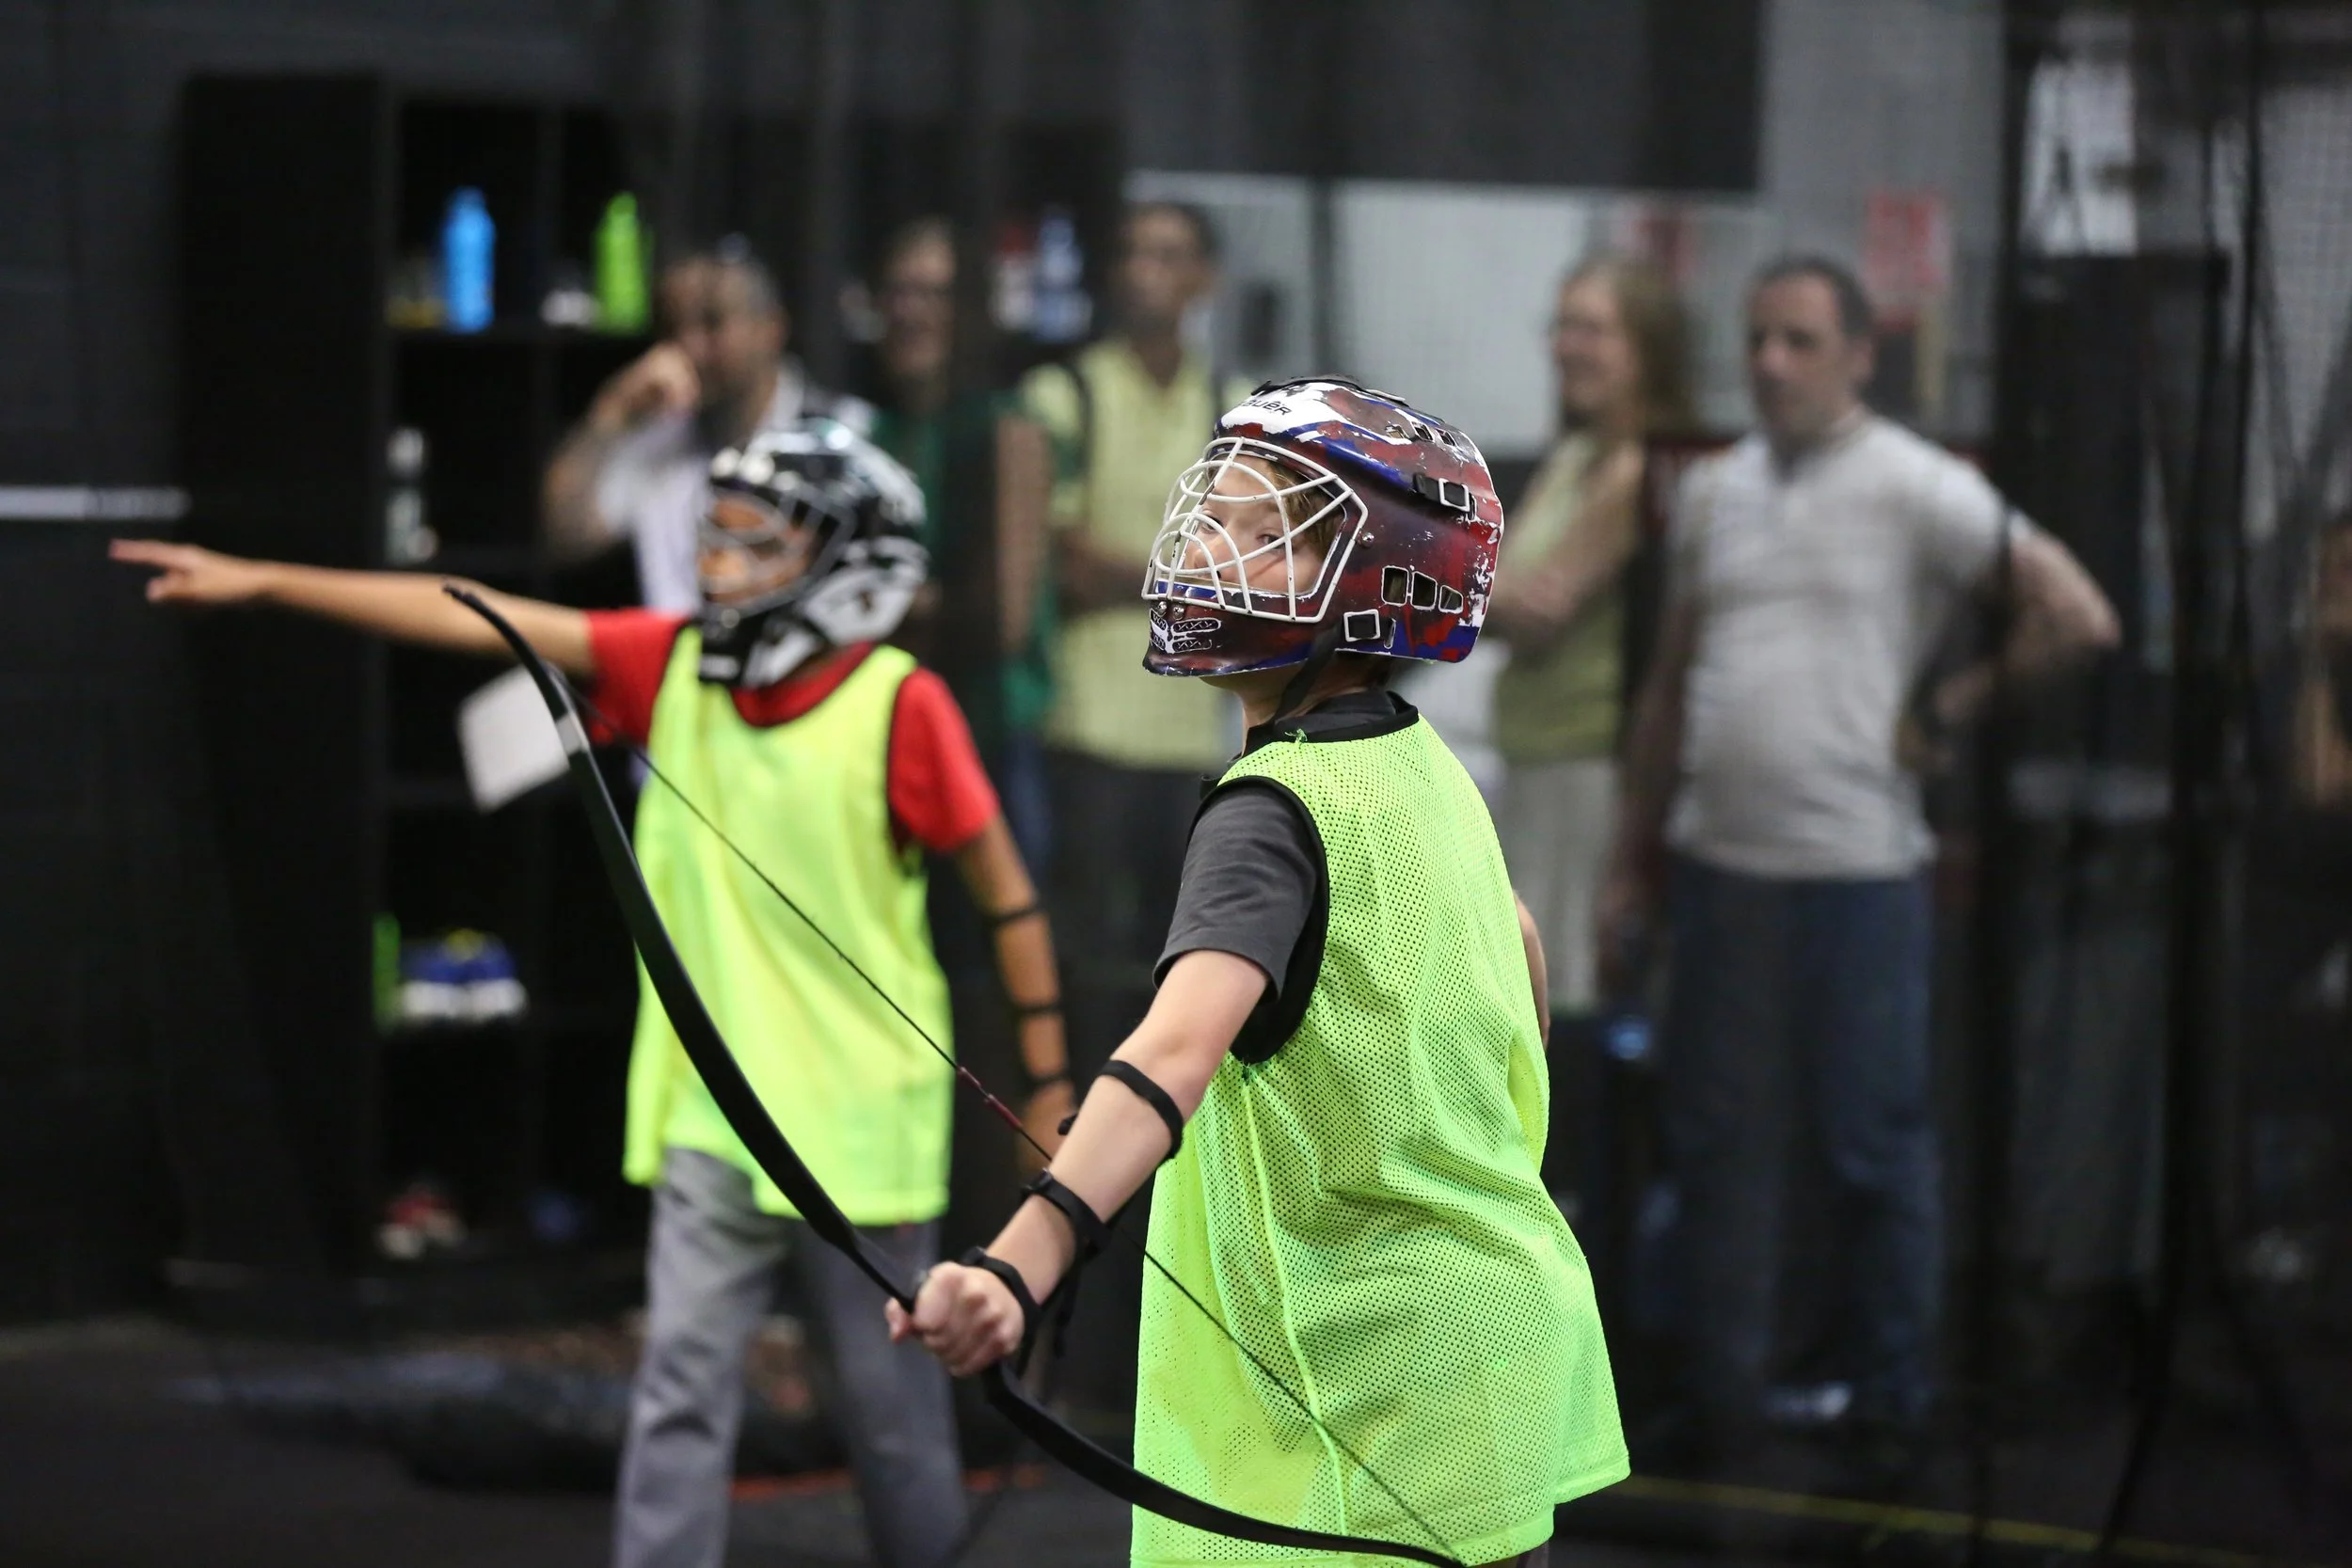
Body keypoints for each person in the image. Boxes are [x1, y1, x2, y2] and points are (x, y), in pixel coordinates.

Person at [115, 421, 1071, 1568]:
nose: (722, 563)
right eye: (720, 537)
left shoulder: (896, 704)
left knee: (892, 1413)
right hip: (708, 1118)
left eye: (763, 544)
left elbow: (1009, 899)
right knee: (677, 1395)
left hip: (856, 1130)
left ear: (850, 564)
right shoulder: (667, 662)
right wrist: (265, 580)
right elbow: (483, 614)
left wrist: (1050, 1094)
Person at [889, 379, 1629, 1568]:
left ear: (1373, 589)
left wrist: (1016, 1263)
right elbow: (1519, 973)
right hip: (1489, 1357)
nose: (1203, 548)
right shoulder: (1430, 773)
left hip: (1359, 1407)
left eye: (1259, 529)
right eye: (1211, 513)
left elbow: (1170, 1054)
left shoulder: (1267, 813)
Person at [1598, 255, 2120, 1461]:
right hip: (1721, 868)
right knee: (1714, 1141)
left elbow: (2078, 614)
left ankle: (1892, 1395)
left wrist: (1948, 709)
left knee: (1871, 1140)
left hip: (1855, 875)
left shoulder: (1916, 486)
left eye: (1799, 341)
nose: (1772, 363)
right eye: (1759, 339)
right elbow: (1671, 686)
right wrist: (1632, 858)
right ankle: (1715, 1388)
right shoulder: (1718, 492)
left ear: (1856, 355)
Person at [1017, 201, 1255, 1039]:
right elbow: (1066, 564)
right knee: (1084, 968)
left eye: (1168, 254)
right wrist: (1187, 575)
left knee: (1182, 973)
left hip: (1192, 740)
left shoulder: (1235, 411)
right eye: (1131, 252)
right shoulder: (1066, 394)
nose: (1144, 270)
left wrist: (1149, 572)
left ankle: (1163, 1162)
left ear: (1204, 279)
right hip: (1088, 732)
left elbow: (1246, 572)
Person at [1483, 254, 1692, 1132]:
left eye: (1592, 328)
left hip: (1588, 773)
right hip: (1537, 765)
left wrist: (1417, 583)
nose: (1569, 346)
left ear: (1645, 348)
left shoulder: (1636, 469)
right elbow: (1501, 584)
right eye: (1562, 325)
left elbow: (1537, 607)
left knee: (1557, 992)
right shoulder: (1576, 455)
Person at [866, 215, 1056, 865]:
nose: (913, 312)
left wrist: (903, 605)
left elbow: (1003, 614)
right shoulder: (874, 433)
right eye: (901, 292)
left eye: (934, 294)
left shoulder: (1006, 429)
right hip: (888, 729)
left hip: (989, 736)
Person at [544, 240, 873, 610]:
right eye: (673, 327)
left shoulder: (844, 433)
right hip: (674, 658)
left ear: (771, 328)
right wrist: (610, 414)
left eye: (712, 322)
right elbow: (566, 536)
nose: (690, 346)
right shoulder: (660, 434)